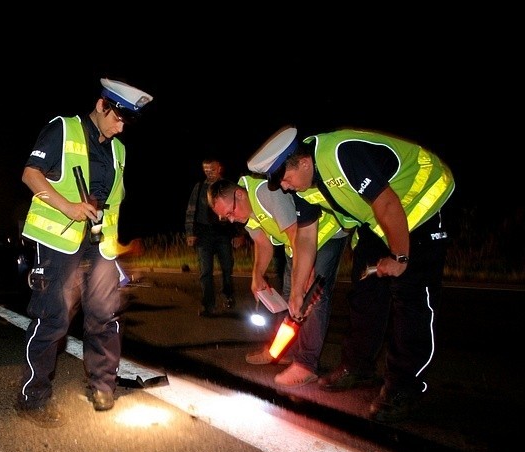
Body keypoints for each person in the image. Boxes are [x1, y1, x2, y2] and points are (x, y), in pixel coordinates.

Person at [251, 125, 454, 422]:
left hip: (419, 202)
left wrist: (399, 256)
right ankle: (358, 367)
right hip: (378, 219)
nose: (284, 186)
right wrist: (295, 292)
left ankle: (404, 386)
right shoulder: (303, 185)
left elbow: (387, 202)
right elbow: (306, 238)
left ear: (304, 162)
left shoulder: (341, 152)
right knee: (364, 294)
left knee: (409, 298)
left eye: (285, 177)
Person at [16, 78, 153, 427]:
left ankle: (103, 386)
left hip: (99, 244)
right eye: (118, 117)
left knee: (104, 317)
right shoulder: (62, 128)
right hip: (57, 240)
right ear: (101, 104)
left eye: (128, 121)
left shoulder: (119, 150)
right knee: (54, 318)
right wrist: (68, 206)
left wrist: (116, 245)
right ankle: (33, 397)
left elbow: (116, 201)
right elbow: (31, 175)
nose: (121, 126)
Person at [207, 175, 348, 387]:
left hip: (325, 234)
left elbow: (296, 233)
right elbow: (262, 243)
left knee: (312, 300)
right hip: (298, 245)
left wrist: (306, 273)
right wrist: (257, 274)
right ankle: (283, 350)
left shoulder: (265, 193)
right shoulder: (244, 211)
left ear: (239, 194)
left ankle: (306, 365)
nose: (231, 220)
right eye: (225, 217)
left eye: (230, 213)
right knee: (290, 297)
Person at [185, 159, 242, 317]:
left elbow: (238, 210)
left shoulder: (227, 186)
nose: (208, 173)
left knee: (227, 268)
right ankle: (208, 305)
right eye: (205, 170)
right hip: (204, 234)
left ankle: (228, 294)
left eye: (211, 169)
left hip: (223, 233)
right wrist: (190, 232)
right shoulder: (199, 188)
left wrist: (238, 234)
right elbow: (190, 211)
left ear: (219, 169)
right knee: (205, 271)